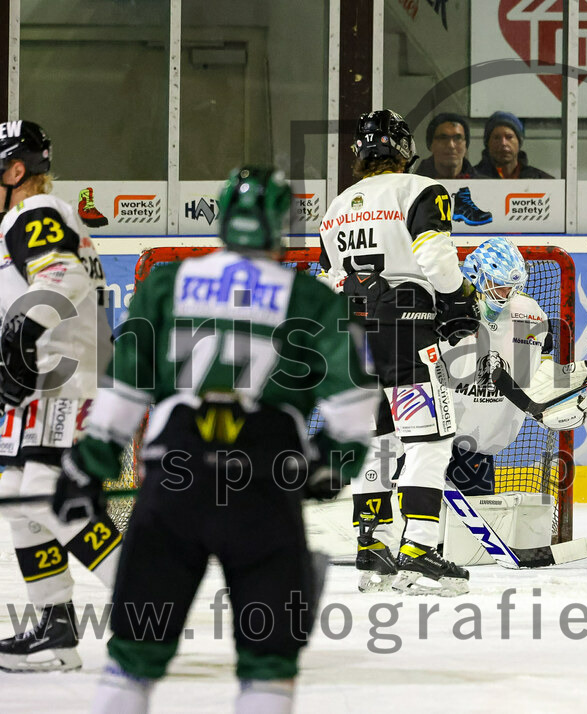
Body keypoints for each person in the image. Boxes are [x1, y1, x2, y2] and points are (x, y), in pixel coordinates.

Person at [51, 165, 377, 712]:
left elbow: (125, 389)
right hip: (265, 491)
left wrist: (88, 465)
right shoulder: (312, 299)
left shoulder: (166, 284)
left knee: (133, 657)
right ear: (281, 225)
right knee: (269, 665)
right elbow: (354, 403)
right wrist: (331, 465)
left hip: (175, 483)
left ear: (223, 219)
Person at [348, 237, 587, 590]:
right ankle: (384, 558)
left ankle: (399, 559)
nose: (504, 293)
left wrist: (570, 384)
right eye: (496, 284)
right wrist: (524, 399)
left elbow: (532, 372)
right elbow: (446, 370)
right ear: (474, 275)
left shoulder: (529, 315)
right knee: (407, 496)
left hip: (479, 446)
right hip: (431, 430)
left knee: (464, 546)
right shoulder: (446, 307)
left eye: (511, 286)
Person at [319, 109, 479, 596]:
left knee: (374, 441)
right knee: (428, 440)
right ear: (404, 148)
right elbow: (434, 256)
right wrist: (457, 299)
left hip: (350, 337)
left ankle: (373, 547)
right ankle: (419, 551)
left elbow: (327, 278)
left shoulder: (337, 206)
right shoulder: (420, 189)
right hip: (405, 332)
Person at [0, 119, 122, 673]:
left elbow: (61, 278)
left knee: (47, 496)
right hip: (45, 383)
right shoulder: (42, 216)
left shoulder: (31, 213)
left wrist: (21, 336)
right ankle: (55, 629)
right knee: (18, 499)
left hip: (59, 380)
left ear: (15, 170)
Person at [415, 113, 492, 226]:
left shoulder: (485, 184)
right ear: (430, 144)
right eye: (443, 138)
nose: (451, 145)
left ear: (466, 145)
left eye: (458, 138)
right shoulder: (415, 185)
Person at [474, 111, 553, 179]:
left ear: (519, 142)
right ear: (487, 143)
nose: (503, 143)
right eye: (496, 137)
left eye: (509, 137)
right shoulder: (470, 179)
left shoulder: (540, 180)